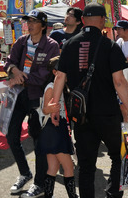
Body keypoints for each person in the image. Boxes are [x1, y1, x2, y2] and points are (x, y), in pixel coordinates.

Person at [49, 3, 128, 198]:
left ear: (83, 20)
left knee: (85, 167)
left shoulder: (69, 44)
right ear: (102, 20)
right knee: (119, 157)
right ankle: (113, 195)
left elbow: (59, 77)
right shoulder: (110, 46)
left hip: (80, 115)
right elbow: (119, 82)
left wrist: (54, 107)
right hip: (107, 113)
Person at [4, 9, 59, 198]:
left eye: (34, 21)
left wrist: (22, 77)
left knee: (39, 142)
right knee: (11, 136)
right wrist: (13, 70)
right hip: (18, 95)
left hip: (39, 98)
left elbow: (46, 73)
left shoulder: (52, 45)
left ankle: (39, 183)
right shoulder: (21, 41)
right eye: (28, 21)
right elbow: (9, 62)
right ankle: (24, 173)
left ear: (43, 26)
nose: (30, 24)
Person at [37, 56, 76, 198]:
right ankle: (73, 196)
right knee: (68, 166)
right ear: (54, 72)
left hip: (53, 130)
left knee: (53, 167)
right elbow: (45, 109)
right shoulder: (51, 87)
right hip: (54, 130)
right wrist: (52, 109)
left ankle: (48, 195)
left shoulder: (58, 86)